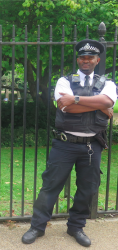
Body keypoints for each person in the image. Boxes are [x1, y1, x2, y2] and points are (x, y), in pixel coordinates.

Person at [21, 39, 116, 247]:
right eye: (82, 57)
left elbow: (108, 102)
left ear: (97, 60)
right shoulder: (64, 81)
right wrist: (97, 105)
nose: (86, 60)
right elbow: (65, 107)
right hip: (64, 144)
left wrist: (76, 100)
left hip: (92, 145)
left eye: (90, 57)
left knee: (88, 188)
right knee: (50, 186)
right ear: (78, 59)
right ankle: (37, 227)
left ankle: (76, 226)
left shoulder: (108, 83)